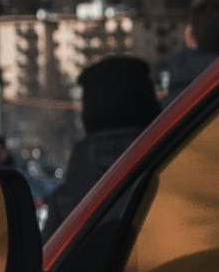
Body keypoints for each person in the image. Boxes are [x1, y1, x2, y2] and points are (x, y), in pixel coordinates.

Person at [46, 47, 161, 234]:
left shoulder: (68, 200)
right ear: (151, 105)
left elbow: (47, 259)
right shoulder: (176, 169)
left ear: (87, 116)